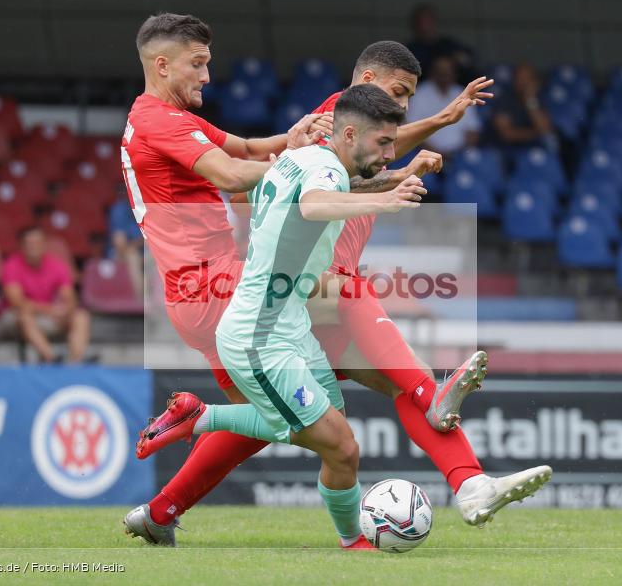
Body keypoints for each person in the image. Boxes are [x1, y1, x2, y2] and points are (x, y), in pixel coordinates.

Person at [120, 14, 550, 546]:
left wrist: (383, 161)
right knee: (351, 302)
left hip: (224, 290)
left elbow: (255, 153)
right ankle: (433, 412)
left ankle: (467, 483)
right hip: (214, 289)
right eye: (199, 63)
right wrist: (344, 168)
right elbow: (255, 179)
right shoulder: (333, 121)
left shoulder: (176, 120)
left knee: (295, 424)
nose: (208, 75)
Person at [129, 84, 426, 550]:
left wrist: (398, 173)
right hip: (259, 337)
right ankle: (354, 543)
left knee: (335, 442)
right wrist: (389, 200)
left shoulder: (301, 160)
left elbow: (270, 196)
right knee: (340, 443)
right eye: (384, 143)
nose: (390, 151)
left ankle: (199, 417)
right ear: (350, 133)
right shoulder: (323, 169)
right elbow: (313, 205)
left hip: (290, 325)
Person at [0, 226, 91, 363]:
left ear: (44, 244)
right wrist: (51, 310)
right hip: (15, 316)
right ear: (22, 246)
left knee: (81, 316)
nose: (34, 247)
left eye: (37, 242)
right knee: (25, 315)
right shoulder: (11, 266)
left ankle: (75, 363)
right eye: (30, 243)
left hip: (48, 316)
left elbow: (69, 295)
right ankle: (52, 359)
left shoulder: (56, 265)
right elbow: (17, 302)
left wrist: (66, 311)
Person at [407, 54, 481, 158]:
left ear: (455, 73)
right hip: (425, 154)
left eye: (448, 69)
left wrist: (456, 155)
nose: (444, 73)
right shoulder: (419, 93)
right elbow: (412, 130)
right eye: (440, 69)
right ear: (432, 72)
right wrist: (436, 153)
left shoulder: (463, 92)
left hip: (459, 156)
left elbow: (473, 132)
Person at [490, 63, 555, 161]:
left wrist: (530, 100)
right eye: (520, 78)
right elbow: (507, 134)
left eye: (527, 79)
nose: (524, 83)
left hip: (533, 147)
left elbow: (545, 130)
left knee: (551, 143)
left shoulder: (539, 99)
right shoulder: (504, 100)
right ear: (514, 81)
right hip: (508, 149)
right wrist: (535, 134)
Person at [406, 3, 476, 82]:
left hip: (451, 89)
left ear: (434, 22)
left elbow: (467, 59)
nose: (424, 26)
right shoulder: (409, 50)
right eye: (421, 22)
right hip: (422, 89)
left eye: (428, 21)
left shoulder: (448, 45)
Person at [107, 185, 144, 298]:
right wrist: (144, 241)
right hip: (121, 255)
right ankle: (140, 299)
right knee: (132, 255)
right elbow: (121, 246)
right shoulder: (119, 210)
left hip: (146, 253)